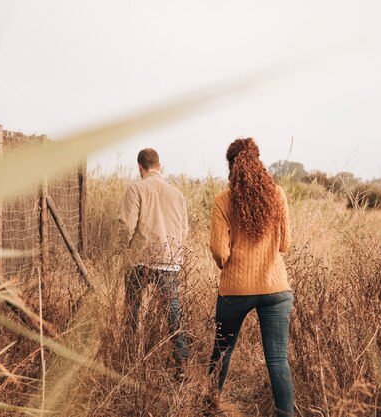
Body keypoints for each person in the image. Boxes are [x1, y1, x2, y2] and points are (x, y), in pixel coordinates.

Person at [208, 138, 294, 416]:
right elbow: (285, 245)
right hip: (276, 288)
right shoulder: (277, 194)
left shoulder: (223, 201)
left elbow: (219, 251)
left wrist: (229, 264)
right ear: (258, 162)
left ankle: (209, 409)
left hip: (236, 289)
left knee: (221, 353)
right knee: (278, 360)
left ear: (231, 167)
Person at [119, 148, 189, 375]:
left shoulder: (136, 189)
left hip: (140, 260)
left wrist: (123, 249)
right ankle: (181, 362)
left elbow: (127, 226)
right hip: (169, 260)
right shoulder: (177, 194)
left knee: (133, 308)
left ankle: (129, 357)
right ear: (160, 166)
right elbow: (184, 231)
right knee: (172, 310)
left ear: (140, 167)